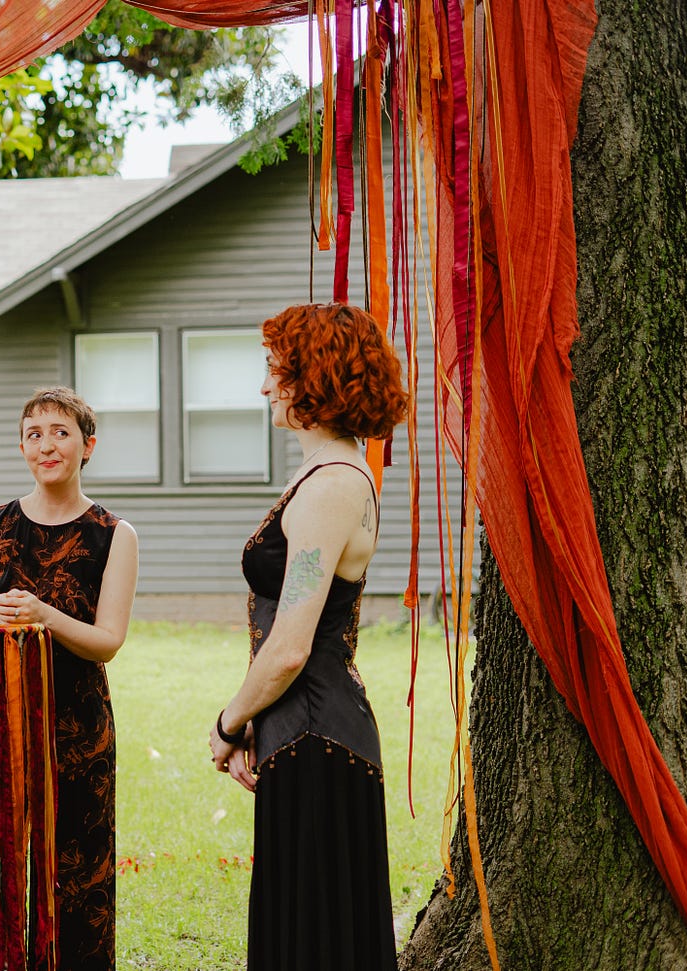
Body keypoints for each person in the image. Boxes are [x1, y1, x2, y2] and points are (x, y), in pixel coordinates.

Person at [209, 303, 408, 970]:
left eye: (277, 371)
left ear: (313, 377)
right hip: (303, 732)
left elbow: (292, 645)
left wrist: (230, 720)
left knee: (318, 939)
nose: (266, 386)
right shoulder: (326, 475)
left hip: (319, 737)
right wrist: (256, 726)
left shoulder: (334, 487)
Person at [0, 386, 139, 969]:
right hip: (2, 726)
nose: (46, 445)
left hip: (78, 732)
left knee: (78, 878)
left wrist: (44, 615)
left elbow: (107, 642)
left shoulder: (115, 534)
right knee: (6, 872)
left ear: (87, 446)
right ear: (21, 447)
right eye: (34, 434)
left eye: (59, 432)